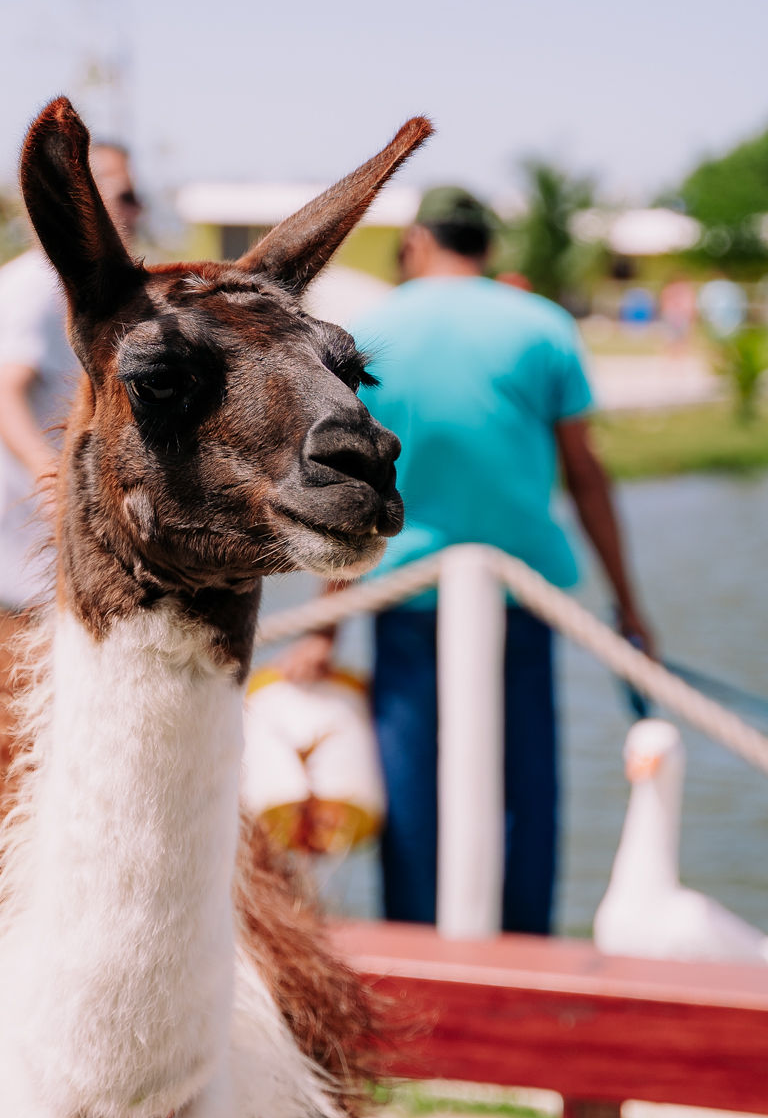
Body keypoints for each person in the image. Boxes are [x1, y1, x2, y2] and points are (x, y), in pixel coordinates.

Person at [277, 185, 656, 935]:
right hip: (522, 599)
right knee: (524, 789)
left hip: (401, 595)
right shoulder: (540, 325)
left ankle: (422, 952)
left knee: (413, 784)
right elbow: (585, 473)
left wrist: (325, 623)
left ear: (417, 242)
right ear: (486, 247)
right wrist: (628, 604)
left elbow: (349, 483)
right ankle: (523, 946)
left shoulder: (372, 330)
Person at [0, 140, 140, 608]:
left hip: (40, 545)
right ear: (82, 200)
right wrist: (59, 487)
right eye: (124, 196)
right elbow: (3, 398)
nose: (138, 211)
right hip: (34, 556)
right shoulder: (40, 287)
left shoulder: (58, 285)